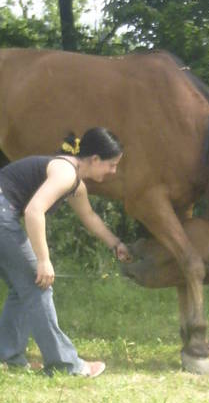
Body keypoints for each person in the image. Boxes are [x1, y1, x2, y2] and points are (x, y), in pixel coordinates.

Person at [0, 127, 130, 377]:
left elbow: (90, 217)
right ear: (94, 159)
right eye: (112, 165)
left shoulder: (74, 181)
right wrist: (43, 260)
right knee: (38, 284)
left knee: (23, 287)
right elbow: (34, 211)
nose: (114, 171)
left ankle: (7, 356)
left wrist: (116, 244)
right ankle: (67, 365)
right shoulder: (65, 173)